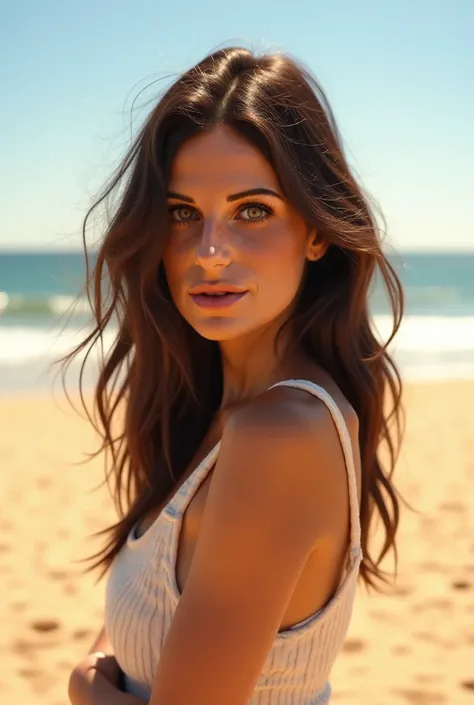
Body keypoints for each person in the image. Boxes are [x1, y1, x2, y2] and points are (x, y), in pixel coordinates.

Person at [65, 46, 404, 705]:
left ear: (316, 230)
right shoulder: (216, 409)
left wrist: (85, 687)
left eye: (253, 210)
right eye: (183, 213)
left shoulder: (280, 437)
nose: (211, 253)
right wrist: (104, 654)